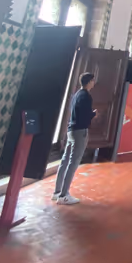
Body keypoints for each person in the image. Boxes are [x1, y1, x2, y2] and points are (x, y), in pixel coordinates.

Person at [53, 72, 97, 205]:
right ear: (89, 82)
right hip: (80, 131)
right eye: (93, 81)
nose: (94, 83)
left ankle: (57, 192)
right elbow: (85, 115)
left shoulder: (76, 94)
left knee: (65, 161)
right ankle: (64, 195)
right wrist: (93, 114)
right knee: (73, 162)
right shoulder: (86, 96)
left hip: (71, 130)